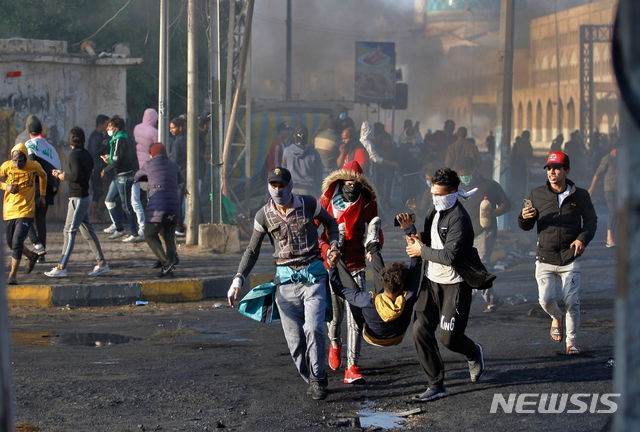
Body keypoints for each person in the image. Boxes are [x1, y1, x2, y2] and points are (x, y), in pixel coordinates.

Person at [227, 167, 341, 401]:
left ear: (290, 186)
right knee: (295, 341)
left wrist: (335, 247)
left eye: (282, 185)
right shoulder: (263, 216)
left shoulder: (309, 204)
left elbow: (331, 223)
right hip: (285, 282)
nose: (278, 190)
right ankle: (311, 376)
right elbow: (252, 250)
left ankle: (318, 379)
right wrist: (238, 279)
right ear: (269, 187)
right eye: (274, 185)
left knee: (314, 328)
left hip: (313, 275)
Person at [397, 167, 494, 402]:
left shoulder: (459, 219)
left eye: (440, 194)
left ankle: (473, 352)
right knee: (420, 330)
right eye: (433, 194)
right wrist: (413, 233)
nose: (436, 199)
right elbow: (432, 241)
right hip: (431, 282)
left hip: (455, 284)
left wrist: (421, 250)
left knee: (449, 338)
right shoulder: (434, 211)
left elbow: (449, 256)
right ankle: (436, 384)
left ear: (452, 192)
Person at [518, 151, 597, 355]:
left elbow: (590, 221)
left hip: (570, 257)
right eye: (549, 169)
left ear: (566, 171)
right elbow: (525, 225)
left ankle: (571, 342)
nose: (552, 172)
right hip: (545, 256)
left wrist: (582, 239)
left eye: (556, 168)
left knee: (572, 300)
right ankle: (557, 317)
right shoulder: (536, 194)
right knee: (545, 299)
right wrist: (524, 217)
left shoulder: (580, 195)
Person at [318, 160, 384, 384]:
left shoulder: (367, 202)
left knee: (356, 317)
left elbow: (375, 229)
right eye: (347, 182)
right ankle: (335, 343)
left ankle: (352, 366)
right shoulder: (327, 201)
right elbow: (313, 232)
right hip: (333, 266)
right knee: (335, 317)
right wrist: (327, 250)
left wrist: (373, 248)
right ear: (339, 181)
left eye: (355, 183)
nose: (351, 186)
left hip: (356, 265)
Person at [45, 127, 110, 278]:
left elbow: (75, 176)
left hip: (78, 198)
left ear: (70, 140)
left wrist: (63, 176)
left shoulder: (74, 155)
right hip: (83, 196)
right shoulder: (86, 154)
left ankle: (62, 267)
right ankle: (102, 264)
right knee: (88, 233)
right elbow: (84, 173)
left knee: (69, 231)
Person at [454, 157, 511, 313]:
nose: (464, 177)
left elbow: (506, 204)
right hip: (464, 234)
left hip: (484, 232)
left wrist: (495, 213)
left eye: (466, 174)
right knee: (469, 268)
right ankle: (493, 298)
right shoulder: (457, 187)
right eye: (461, 174)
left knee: (478, 268)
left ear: (474, 170)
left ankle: (463, 308)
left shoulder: (490, 185)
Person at [329, 258, 422, 347]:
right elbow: (416, 268)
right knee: (359, 299)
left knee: (355, 297)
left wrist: (333, 266)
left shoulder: (367, 300)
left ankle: (372, 249)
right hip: (397, 336)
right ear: (402, 286)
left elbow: (338, 289)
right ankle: (373, 248)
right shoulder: (409, 296)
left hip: (372, 337)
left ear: (382, 280)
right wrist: (415, 245)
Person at [0, 143, 47, 284]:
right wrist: (6, 186)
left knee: (17, 241)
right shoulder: (6, 166)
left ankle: (12, 275)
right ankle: (31, 256)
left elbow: (43, 176)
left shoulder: (34, 166)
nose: (18, 164)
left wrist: (42, 195)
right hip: (9, 211)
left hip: (26, 210)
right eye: (15, 161)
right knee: (11, 242)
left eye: (21, 161)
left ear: (26, 158)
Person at [135, 144, 184, 277]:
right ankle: (169, 263)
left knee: (150, 234)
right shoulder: (173, 165)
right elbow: (181, 179)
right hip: (174, 205)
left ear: (152, 154)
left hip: (159, 207)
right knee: (169, 237)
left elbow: (137, 176)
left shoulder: (149, 165)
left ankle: (167, 264)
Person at [24, 120, 61, 260]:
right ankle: (41, 255)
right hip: (49, 186)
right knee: (40, 220)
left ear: (29, 133)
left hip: (36, 187)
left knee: (24, 217)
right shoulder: (49, 146)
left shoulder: (30, 145)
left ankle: (37, 244)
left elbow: (33, 165)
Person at [101, 116, 139, 240]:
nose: (107, 129)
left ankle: (134, 233)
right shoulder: (122, 139)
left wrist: (105, 169)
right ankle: (119, 228)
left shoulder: (120, 140)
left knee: (126, 206)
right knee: (109, 200)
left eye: (110, 126)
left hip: (124, 176)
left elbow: (117, 161)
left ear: (116, 128)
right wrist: (110, 160)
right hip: (119, 176)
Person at [131, 108, 160, 242]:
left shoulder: (136, 128)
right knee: (150, 194)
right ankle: (150, 222)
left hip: (137, 165)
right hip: (150, 166)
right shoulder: (154, 132)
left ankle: (141, 223)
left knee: (136, 195)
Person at [588, 143, 618, 247]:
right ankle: (609, 238)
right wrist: (592, 188)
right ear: (613, 149)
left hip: (619, 189)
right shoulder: (607, 159)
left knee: (619, 212)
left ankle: (614, 237)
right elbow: (597, 173)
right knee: (612, 211)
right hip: (609, 189)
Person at [281, 124, 323, 197]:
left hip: (291, 190)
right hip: (309, 191)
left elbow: (283, 172)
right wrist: (318, 192)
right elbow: (318, 176)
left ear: (294, 136)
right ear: (307, 137)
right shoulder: (314, 153)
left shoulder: (287, 151)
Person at [87, 114, 110, 223]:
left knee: (99, 191)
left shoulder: (101, 136)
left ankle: (94, 214)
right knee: (97, 191)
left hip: (99, 167)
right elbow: (93, 152)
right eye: (106, 125)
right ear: (100, 124)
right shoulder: (95, 136)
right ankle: (92, 215)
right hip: (95, 168)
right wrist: (104, 146)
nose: (106, 128)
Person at [398, 128, 427, 206]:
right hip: (413, 172)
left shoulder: (403, 147)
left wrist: (399, 170)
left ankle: (409, 204)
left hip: (411, 172)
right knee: (414, 189)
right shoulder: (419, 146)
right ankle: (412, 203)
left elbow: (400, 160)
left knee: (410, 190)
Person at [169, 117, 187, 236]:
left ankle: (179, 228)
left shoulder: (177, 142)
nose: (171, 130)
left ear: (180, 128)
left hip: (180, 174)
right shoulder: (187, 139)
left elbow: (175, 161)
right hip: (187, 173)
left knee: (177, 202)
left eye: (173, 128)